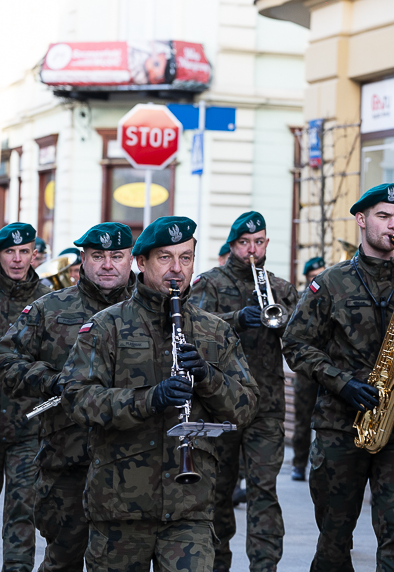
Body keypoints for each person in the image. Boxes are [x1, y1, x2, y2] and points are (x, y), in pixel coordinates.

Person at [59, 215, 258, 572]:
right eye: (165, 257)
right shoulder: (108, 326)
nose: (177, 269)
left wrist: (209, 378)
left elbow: (246, 408)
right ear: (141, 262)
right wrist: (148, 399)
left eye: (186, 257)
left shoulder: (214, 330)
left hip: (190, 507)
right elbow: (77, 398)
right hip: (120, 507)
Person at [283, 183, 394, 571]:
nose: (393, 226)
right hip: (341, 426)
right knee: (334, 540)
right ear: (361, 219)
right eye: (383, 217)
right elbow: (296, 344)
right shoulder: (331, 282)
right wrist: (342, 382)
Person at [0, 222, 136, 572]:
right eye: (97, 256)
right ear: (82, 259)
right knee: (63, 559)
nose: (107, 265)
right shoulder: (49, 308)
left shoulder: (158, 311)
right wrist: (52, 381)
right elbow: (4, 361)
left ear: (132, 259)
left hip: (135, 464)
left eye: (117, 256)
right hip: (67, 460)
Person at [190, 211, 299, 572]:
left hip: (265, 406)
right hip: (219, 404)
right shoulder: (209, 283)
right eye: (244, 243)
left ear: (267, 243)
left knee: (263, 491)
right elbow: (192, 333)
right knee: (218, 493)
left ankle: (264, 565)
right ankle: (218, 564)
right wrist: (239, 317)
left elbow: (301, 341)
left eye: (259, 242)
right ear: (233, 245)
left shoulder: (281, 288)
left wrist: (283, 321)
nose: (252, 249)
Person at [0, 223, 52, 572]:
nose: (17, 259)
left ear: (34, 254)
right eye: (9, 252)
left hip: (28, 425)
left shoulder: (48, 299)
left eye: (24, 251)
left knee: (22, 510)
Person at [291, 255, 327, 482]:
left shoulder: (333, 293)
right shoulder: (300, 298)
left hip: (328, 368)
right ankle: (298, 464)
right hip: (306, 372)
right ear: (306, 278)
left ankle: (321, 467)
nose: (319, 278)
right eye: (314, 276)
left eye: (321, 273)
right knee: (303, 421)